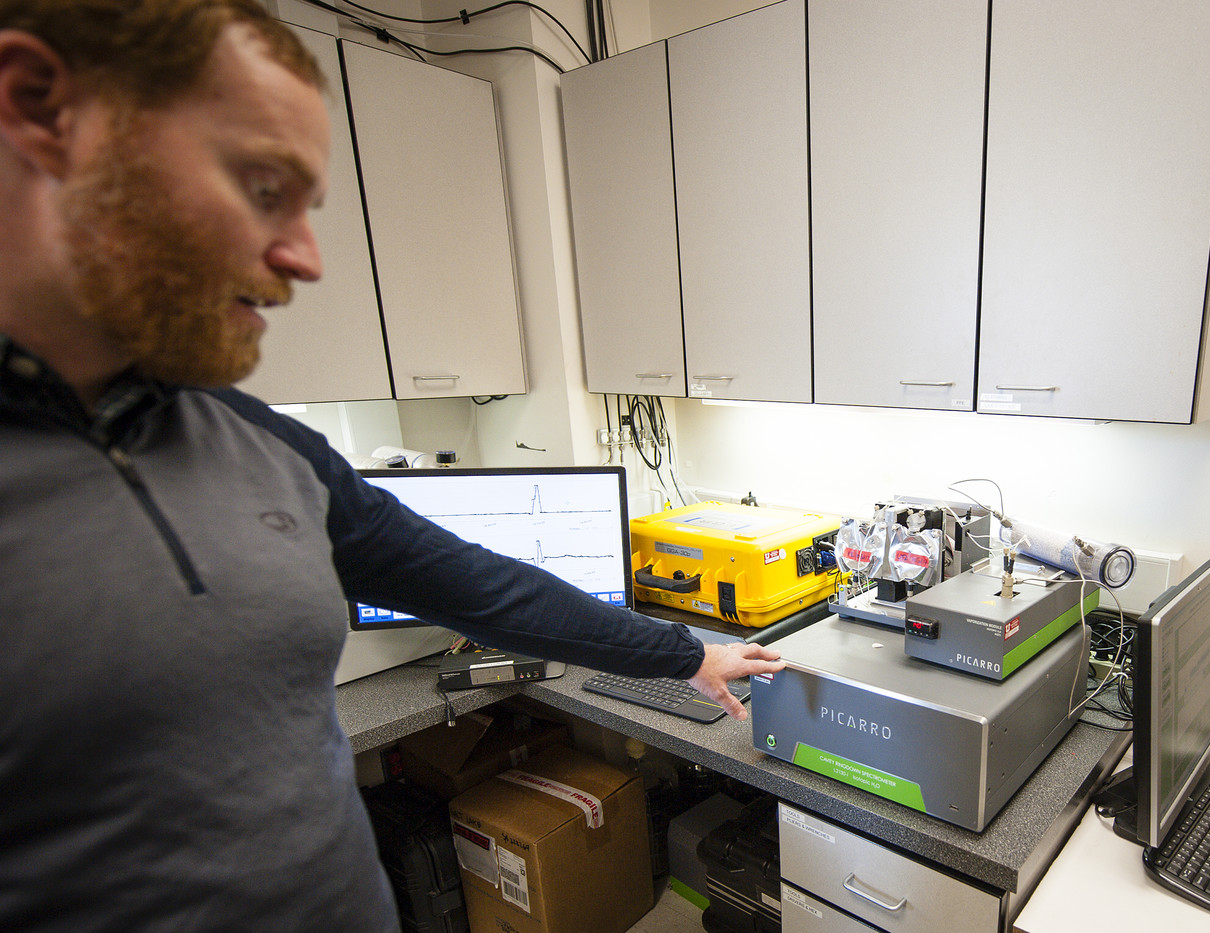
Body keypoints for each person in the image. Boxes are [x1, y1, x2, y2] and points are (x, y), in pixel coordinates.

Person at [0, 3, 783, 931]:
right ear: (39, 104)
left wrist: (685, 650)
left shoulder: (260, 444)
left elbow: (485, 588)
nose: (302, 258)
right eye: (260, 185)